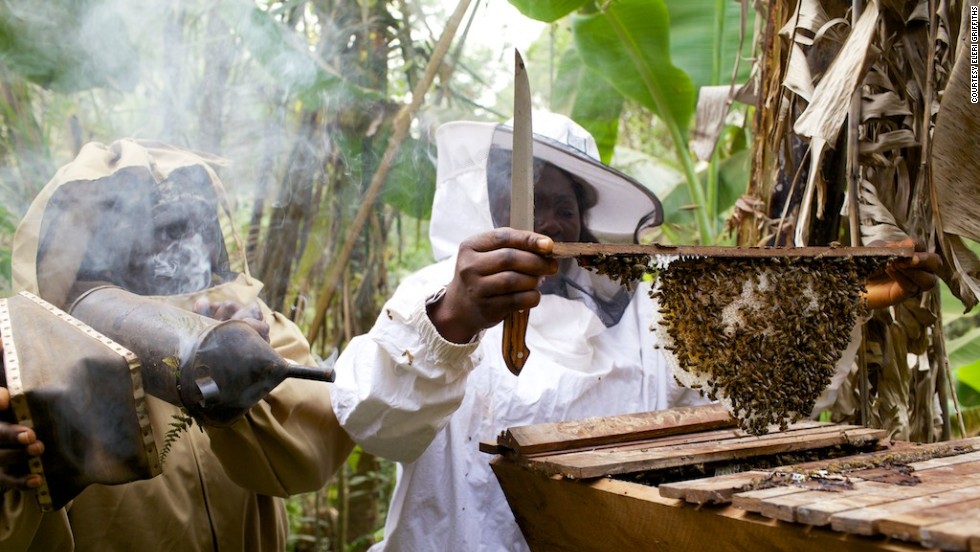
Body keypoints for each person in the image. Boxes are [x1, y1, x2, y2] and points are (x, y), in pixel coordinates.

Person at [328, 111, 941, 551]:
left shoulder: (643, 311)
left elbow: (739, 397)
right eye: (526, 201)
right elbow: (375, 420)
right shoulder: (435, 292)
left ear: (586, 216)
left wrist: (843, 298)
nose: (546, 220)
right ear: (490, 211)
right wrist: (453, 321)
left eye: (562, 203)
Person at [0, 139, 354, 551]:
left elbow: (309, 461)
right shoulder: (30, 362)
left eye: (180, 224)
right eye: (134, 225)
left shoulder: (254, 324)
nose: (169, 244)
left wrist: (238, 375)